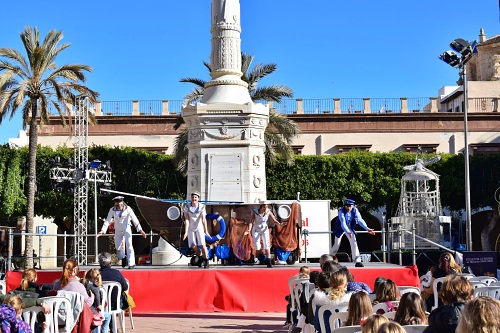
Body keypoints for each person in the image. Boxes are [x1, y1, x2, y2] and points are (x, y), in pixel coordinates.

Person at [97, 196, 147, 269]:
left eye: (120, 203)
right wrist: (102, 230)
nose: (118, 205)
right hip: (117, 230)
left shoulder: (128, 209)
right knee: (118, 247)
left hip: (127, 228)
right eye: (117, 203)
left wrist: (140, 230)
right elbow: (107, 221)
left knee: (129, 246)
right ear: (115, 204)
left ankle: (131, 263)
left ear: (122, 203)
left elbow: (135, 219)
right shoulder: (112, 210)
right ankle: (123, 257)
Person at [330, 198, 375, 267]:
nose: (348, 207)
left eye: (350, 206)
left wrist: (367, 229)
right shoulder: (341, 211)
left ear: (353, 205)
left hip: (349, 227)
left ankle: (357, 261)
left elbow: (360, 220)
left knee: (354, 242)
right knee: (337, 245)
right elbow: (343, 223)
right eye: (347, 206)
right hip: (340, 228)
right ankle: (329, 259)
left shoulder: (355, 210)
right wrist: (348, 232)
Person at [246, 203, 280, 268]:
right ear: (261, 207)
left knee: (267, 245)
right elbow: (251, 221)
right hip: (256, 229)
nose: (265, 209)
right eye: (264, 207)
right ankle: (261, 255)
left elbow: (274, 220)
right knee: (257, 246)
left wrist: (277, 223)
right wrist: (249, 230)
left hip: (264, 229)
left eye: (266, 207)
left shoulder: (268, 212)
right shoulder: (255, 212)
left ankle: (268, 261)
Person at [183, 191, 210, 268]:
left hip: (199, 227)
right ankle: (201, 257)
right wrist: (186, 232)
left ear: (198, 198)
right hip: (191, 227)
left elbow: (204, 219)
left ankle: (206, 259)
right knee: (193, 245)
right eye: (193, 197)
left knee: (202, 244)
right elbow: (187, 219)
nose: (194, 199)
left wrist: (206, 231)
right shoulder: (187, 206)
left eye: (195, 197)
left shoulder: (201, 206)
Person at [83, 268, 111, 333]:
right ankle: (103, 331)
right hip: (93, 311)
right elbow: (98, 302)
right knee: (108, 316)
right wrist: (99, 305)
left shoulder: (83, 284)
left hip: (83, 309)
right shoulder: (95, 287)